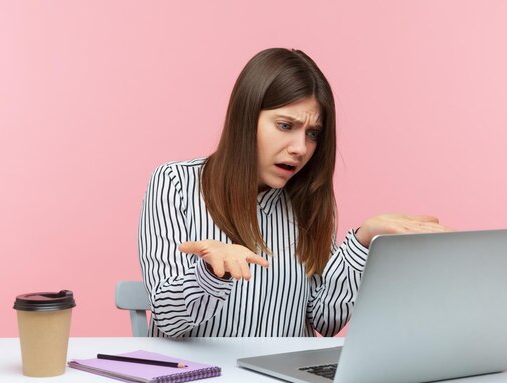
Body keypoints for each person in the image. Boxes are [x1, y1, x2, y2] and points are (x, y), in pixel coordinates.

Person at [138, 48, 451, 337]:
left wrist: (362, 241)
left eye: (313, 134)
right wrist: (211, 273)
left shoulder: (308, 201)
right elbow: (167, 319)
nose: (301, 148)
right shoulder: (175, 183)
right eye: (286, 125)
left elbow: (325, 321)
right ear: (246, 119)